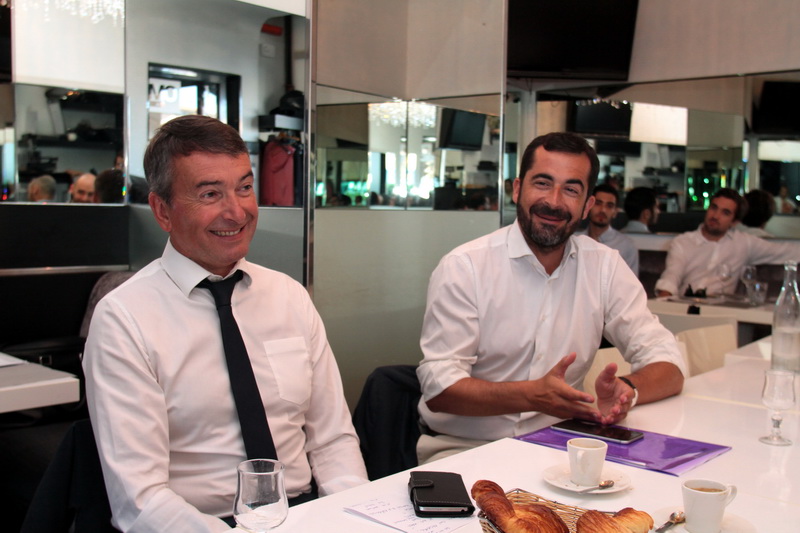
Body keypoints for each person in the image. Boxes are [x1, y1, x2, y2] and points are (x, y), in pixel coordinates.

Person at [83, 115, 367, 532]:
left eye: (245, 188)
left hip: (305, 514)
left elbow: (332, 440)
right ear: (163, 210)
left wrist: (351, 517)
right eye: (210, 193)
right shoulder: (124, 319)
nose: (236, 211)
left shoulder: (289, 296)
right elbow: (140, 501)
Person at [416, 132, 685, 463]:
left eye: (571, 189)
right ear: (517, 189)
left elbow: (669, 364)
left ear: (587, 206)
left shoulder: (604, 266)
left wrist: (627, 387)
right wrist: (531, 396)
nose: (554, 201)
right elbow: (440, 390)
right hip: (465, 447)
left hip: (564, 444)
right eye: (542, 183)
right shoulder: (465, 267)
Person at [655, 188, 800, 297]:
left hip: (722, 312)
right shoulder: (682, 242)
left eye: (725, 213)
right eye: (714, 208)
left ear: (735, 222)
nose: (715, 216)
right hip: (687, 307)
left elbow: (785, 251)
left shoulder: (744, 243)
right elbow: (671, 278)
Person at [577, 183, 639, 276]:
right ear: (588, 206)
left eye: (609, 206)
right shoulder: (575, 241)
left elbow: (630, 287)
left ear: (615, 212)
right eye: (598, 204)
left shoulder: (627, 246)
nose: (603, 210)